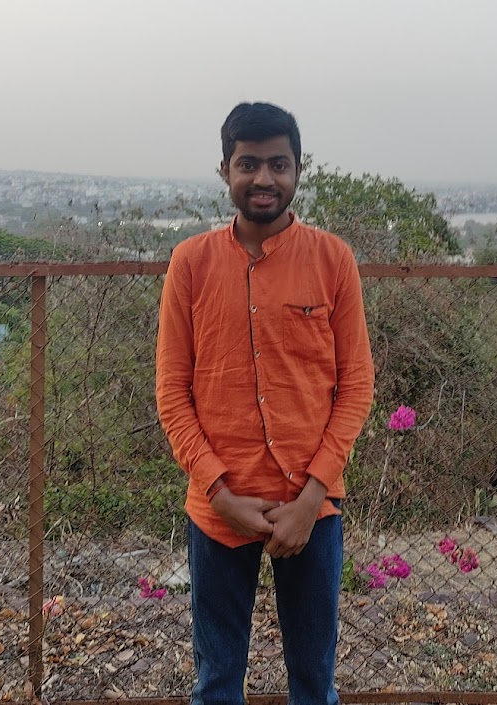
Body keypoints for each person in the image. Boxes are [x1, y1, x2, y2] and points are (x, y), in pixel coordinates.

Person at [156, 102, 375, 705]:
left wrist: (314, 497)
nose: (264, 179)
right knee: (218, 685)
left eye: (278, 164)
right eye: (248, 164)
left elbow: (355, 386)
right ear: (224, 169)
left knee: (313, 684)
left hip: (312, 509)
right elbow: (173, 392)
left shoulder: (333, 260)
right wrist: (218, 492)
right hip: (218, 510)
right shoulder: (191, 265)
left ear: (298, 170)